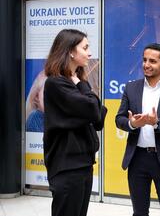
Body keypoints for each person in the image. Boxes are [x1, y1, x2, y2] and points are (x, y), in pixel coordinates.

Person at [115, 43, 160, 216]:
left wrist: (157, 123)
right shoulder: (131, 88)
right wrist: (132, 124)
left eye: (152, 61)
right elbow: (119, 119)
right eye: (144, 60)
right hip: (137, 159)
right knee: (139, 212)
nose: (146, 64)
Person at [43, 29, 107, 216]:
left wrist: (81, 85)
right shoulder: (56, 83)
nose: (89, 53)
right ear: (71, 51)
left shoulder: (74, 82)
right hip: (67, 167)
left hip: (82, 164)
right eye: (85, 47)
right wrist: (82, 86)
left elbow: (98, 119)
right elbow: (93, 109)